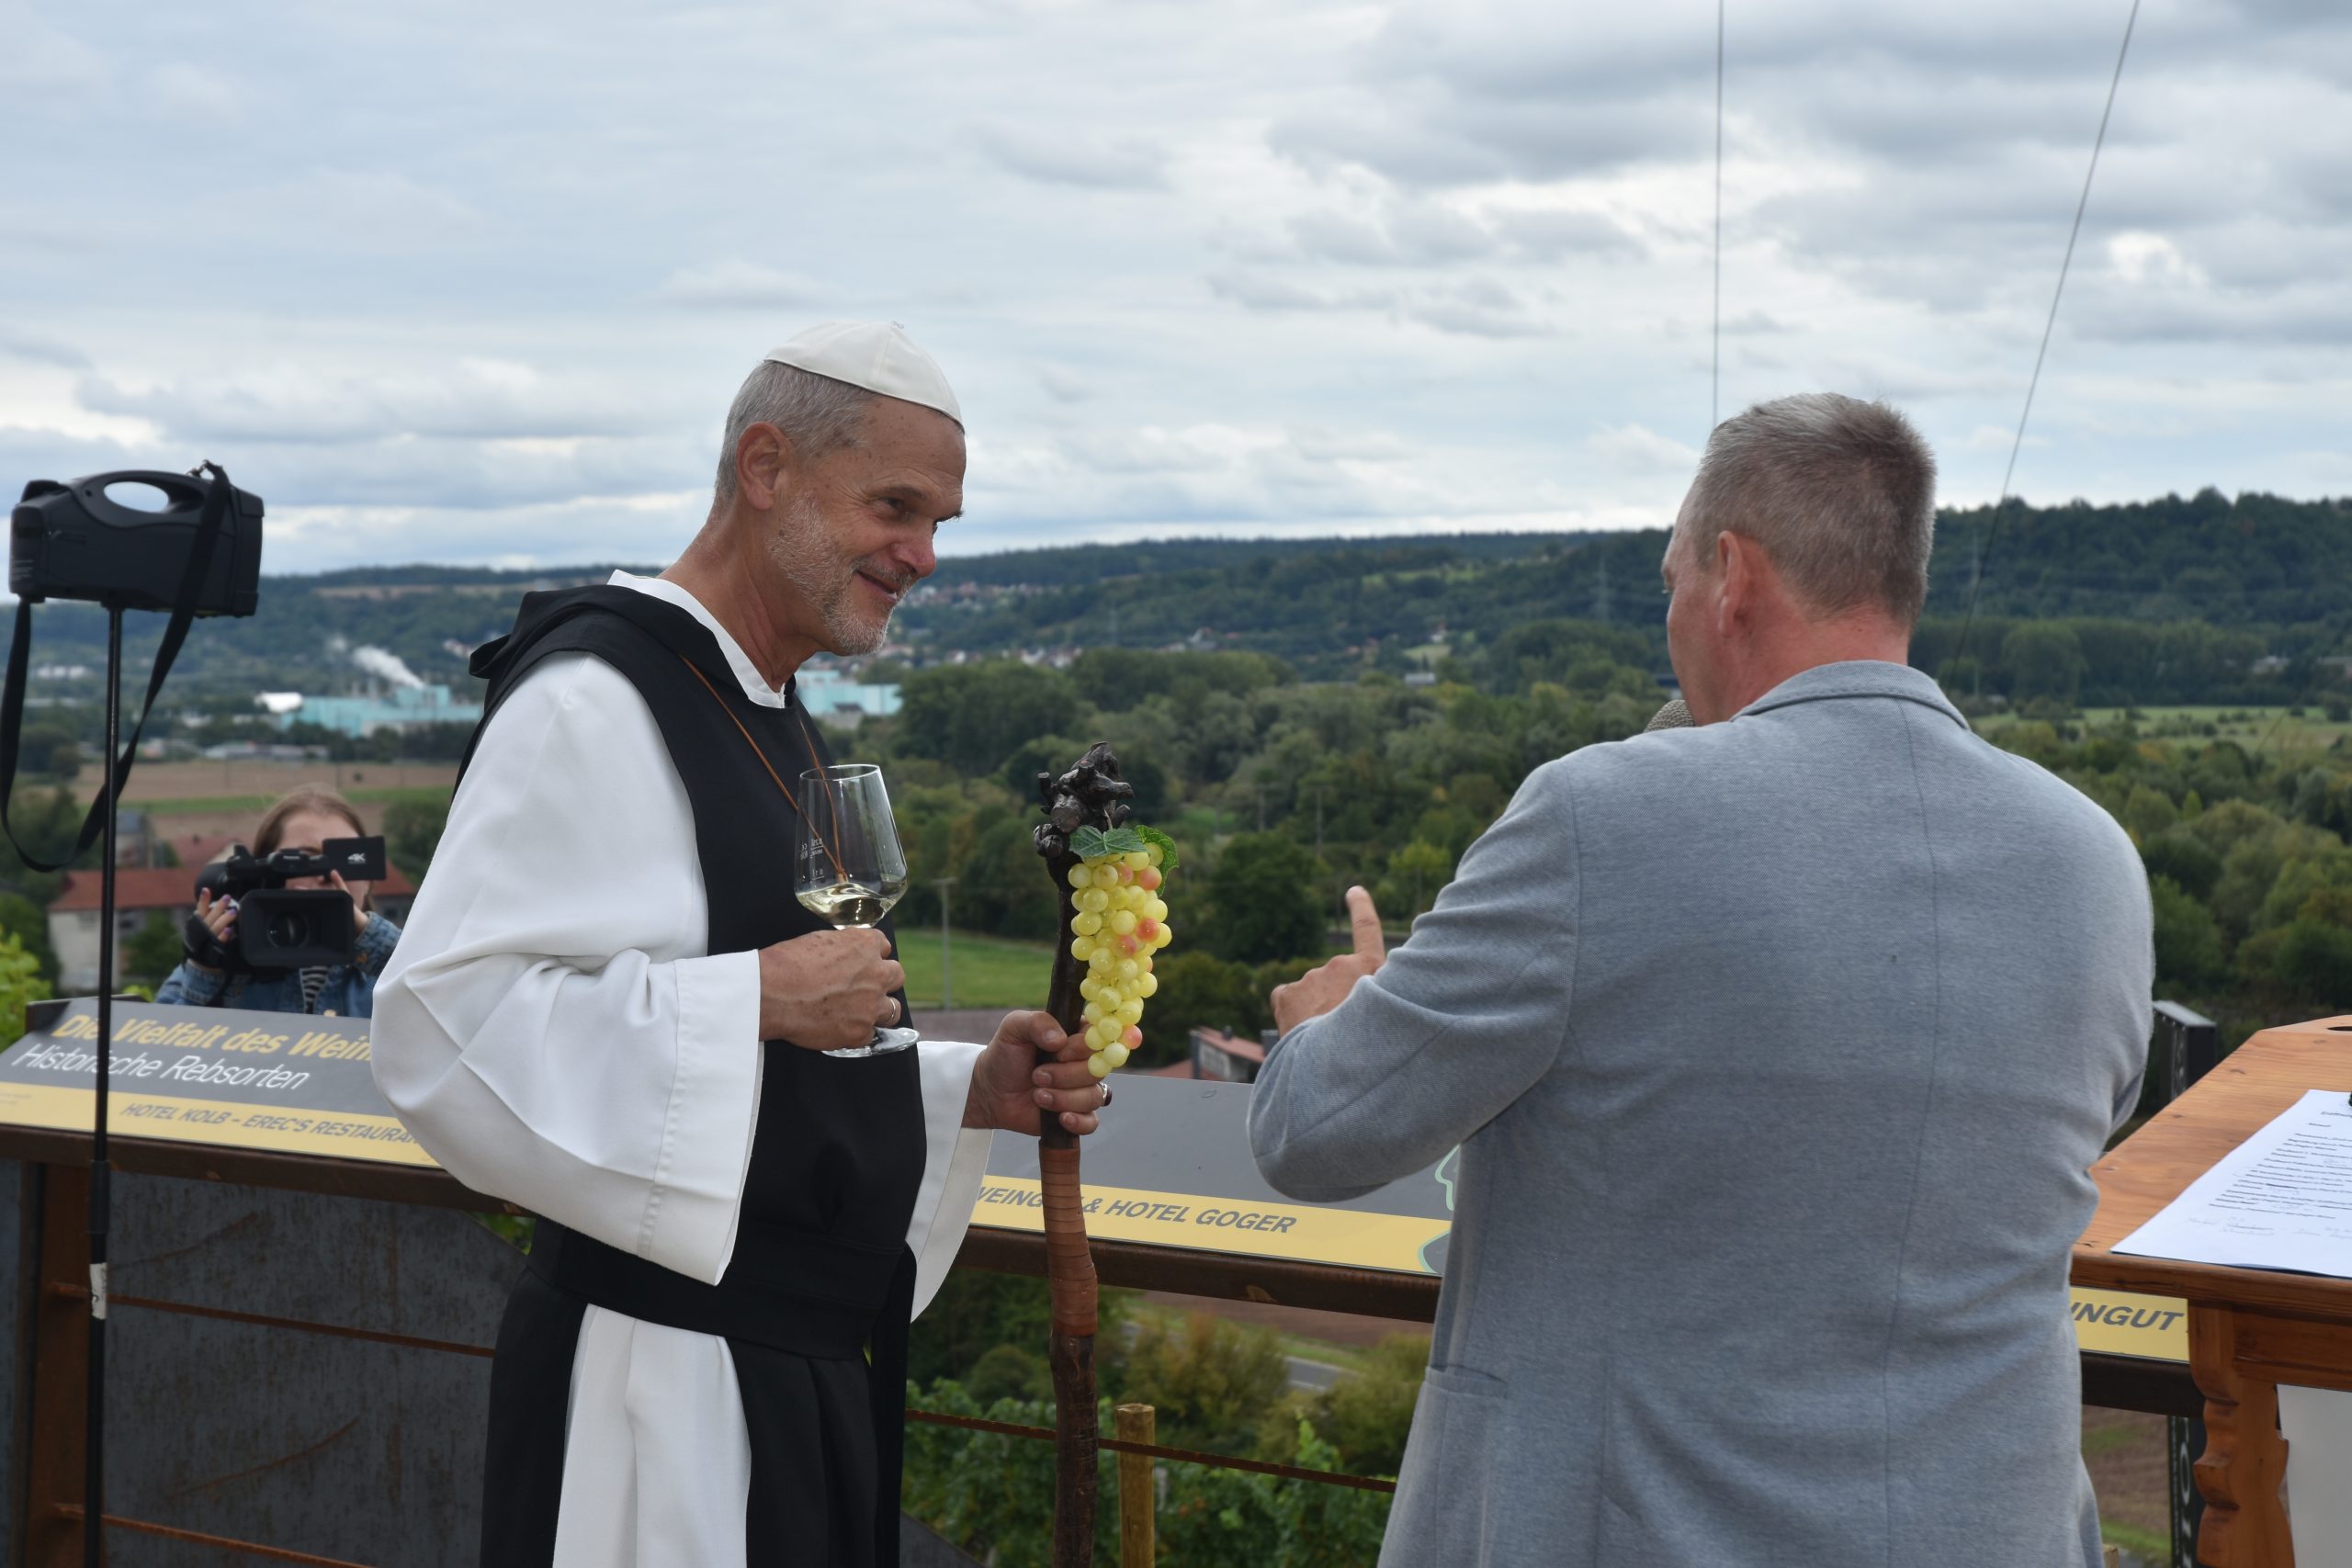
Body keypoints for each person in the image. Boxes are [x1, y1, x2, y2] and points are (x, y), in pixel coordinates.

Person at [1249, 394, 2152, 1568]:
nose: (1671, 611)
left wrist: (1336, 1021)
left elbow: (1314, 1134)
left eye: (1671, 577)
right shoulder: (2094, 859)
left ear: (1729, 574)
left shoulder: (1602, 814)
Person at [371, 321, 1108, 1568]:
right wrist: (751, 997)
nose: (924, 555)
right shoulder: (591, 701)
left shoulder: (766, 701)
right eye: (896, 505)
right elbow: (446, 1027)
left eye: (942, 523)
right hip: (656, 1384)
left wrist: (956, 1083)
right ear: (766, 466)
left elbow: (773, 1046)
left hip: (785, 1363)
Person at [155, 785, 401, 1015]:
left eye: (349, 859)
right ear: (266, 875)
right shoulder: (229, 965)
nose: (328, 876)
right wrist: (205, 973)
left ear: (368, 880)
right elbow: (155, 1053)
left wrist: (372, 942)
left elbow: (437, 997)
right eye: (305, 860)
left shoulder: (392, 970)